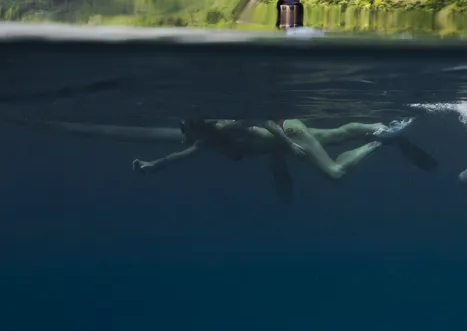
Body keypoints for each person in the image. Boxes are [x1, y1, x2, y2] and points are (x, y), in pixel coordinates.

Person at [25, 115, 435, 200]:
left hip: (288, 132)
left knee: (332, 174)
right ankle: (381, 127)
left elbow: (268, 120)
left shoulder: (224, 128)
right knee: (338, 133)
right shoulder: (207, 143)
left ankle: (382, 140)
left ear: (201, 126)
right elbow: (177, 158)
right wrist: (152, 166)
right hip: (286, 141)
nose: (188, 137)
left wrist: (287, 145)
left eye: (190, 131)